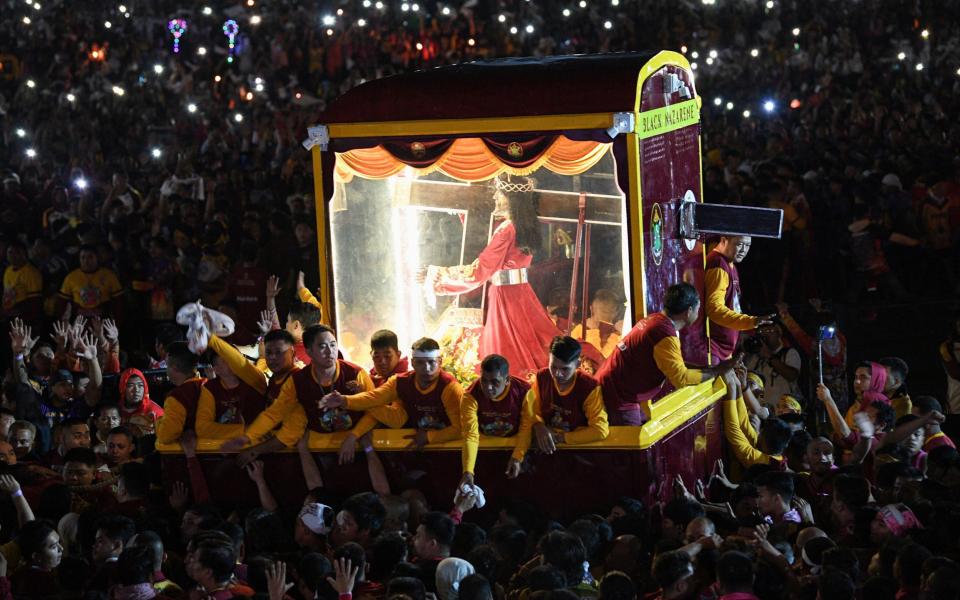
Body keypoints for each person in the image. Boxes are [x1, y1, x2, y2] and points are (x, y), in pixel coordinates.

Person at [423, 175, 560, 377]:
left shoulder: (506, 229)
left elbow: (479, 272)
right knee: (527, 341)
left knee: (507, 347)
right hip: (522, 292)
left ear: (510, 198)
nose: (495, 196)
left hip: (504, 296)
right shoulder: (523, 225)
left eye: (499, 192)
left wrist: (438, 276)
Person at [596, 283, 737, 425]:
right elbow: (681, 378)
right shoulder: (663, 334)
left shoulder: (656, 321)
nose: (698, 313)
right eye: (698, 309)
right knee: (634, 442)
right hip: (617, 397)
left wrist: (709, 369)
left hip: (616, 390)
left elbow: (673, 364)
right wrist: (717, 371)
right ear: (688, 311)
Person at [222, 324, 375, 453]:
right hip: (318, 449)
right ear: (309, 351)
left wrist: (354, 436)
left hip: (356, 447)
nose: (330, 351)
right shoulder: (298, 381)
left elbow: (374, 411)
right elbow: (274, 414)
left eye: (333, 344)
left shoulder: (355, 373)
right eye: (322, 346)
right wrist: (247, 437)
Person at [321, 337, 463, 457]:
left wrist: (429, 437)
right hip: (411, 447)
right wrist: (344, 400)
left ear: (440, 362)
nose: (426, 368)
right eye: (420, 362)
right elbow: (374, 397)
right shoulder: (400, 381)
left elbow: (460, 428)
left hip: (448, 449)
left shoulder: (450, 387)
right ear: (413, 363)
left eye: (431, 362)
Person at [459, 354, 534, 484]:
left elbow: (527, 427)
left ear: (506, 380)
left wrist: (517, 457)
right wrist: (468, 471)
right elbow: (470, 435)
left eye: (495, 382)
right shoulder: (470, 395)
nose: (488, 387)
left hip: (516, 446)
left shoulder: (524, 391)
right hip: (485, 449)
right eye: (484, 380)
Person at [528, 336, 609, 456]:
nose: (557, 374)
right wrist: (538, 425)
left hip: (576, 451)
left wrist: (560, 437)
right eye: (553, 367)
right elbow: (531, 412)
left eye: (565, 369)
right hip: (545, 448)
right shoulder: (542, 378)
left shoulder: (589, 387)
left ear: (577, 364)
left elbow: (600, 430)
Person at [704, 235, 771, 362]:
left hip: (725, 351)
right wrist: (750, 322)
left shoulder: (731, 265)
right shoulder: (718, 265)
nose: (744, 250)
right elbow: (714, 310)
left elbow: (733, 307)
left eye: (748, 246)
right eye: (740, 244)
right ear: (724, 240)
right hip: (714, 349)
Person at [56, 244, 123, 319]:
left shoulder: (109, 275)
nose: (86, 261)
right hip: (79, 322)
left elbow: (118, 301)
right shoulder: (71, 277)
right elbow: (62, 302)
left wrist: (117, 323)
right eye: (83, 257)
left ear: (97, 258)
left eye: (90, 257)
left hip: (103, 320)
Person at [156, 342, 205, 445]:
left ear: (174, 368)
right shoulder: (208, 385)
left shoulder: (177, 398)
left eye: (167, 365)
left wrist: (159, 421)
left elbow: (166, 436)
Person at [570, 290, 622, 358]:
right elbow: (597, 361)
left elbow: (598, 361)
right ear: (616, 313)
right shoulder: (619, 334)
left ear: (591, 308)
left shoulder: (580, 329)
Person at [117, 368, 164, 436]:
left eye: (140, 385)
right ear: (123, 388)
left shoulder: (155, 411)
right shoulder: (116, 410)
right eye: (131, 386)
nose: (136, 390)